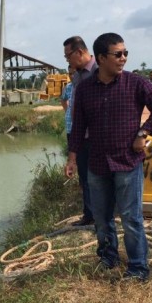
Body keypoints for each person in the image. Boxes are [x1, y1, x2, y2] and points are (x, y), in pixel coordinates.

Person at [65, 33, 152, 281]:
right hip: (97, 164)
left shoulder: (135, 83)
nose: (123, 58)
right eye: (117, 54)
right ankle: (108, 257)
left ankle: (137, 267)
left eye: (125, 53)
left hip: (127, 162)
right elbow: (78, 126)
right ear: (101, 58)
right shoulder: (85, 90)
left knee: (131, 218)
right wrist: (71, 159)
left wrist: (144, 132)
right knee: (102, 219)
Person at [62, 36, 98, 226]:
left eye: (68, 56)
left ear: (79, 52)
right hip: (81, 134)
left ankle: (104, 217)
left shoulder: (99, 71)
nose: (67, 60)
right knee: (85, 177)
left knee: (100, 178)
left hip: (98, 137)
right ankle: (90, 215)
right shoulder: (77, 76)